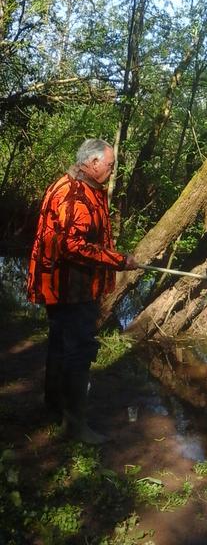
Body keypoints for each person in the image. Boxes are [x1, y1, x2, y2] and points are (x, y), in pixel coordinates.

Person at [26, 138, 138, 444]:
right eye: (111, 165)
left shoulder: (82, 186)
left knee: (61, 345)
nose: (113, 170)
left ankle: (54, 408)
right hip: (70, 286)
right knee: (77, 350)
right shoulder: (73, 193)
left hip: (66, 284)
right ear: (93, 162)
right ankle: (74, 424)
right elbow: (73, 246)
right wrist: (119, 260)